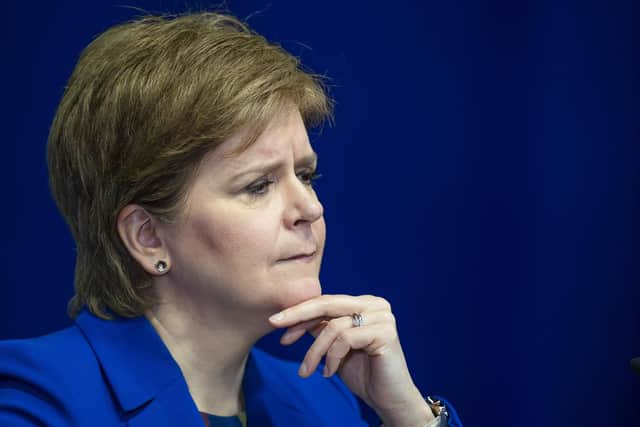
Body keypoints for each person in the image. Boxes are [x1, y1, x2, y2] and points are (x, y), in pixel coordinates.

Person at [0, 12, 462, 427]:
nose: (311, 208)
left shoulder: (324, 404)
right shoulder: (38, 401)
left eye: (306, 174)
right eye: (258, 185)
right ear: (148, 238)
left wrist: (411, 419)